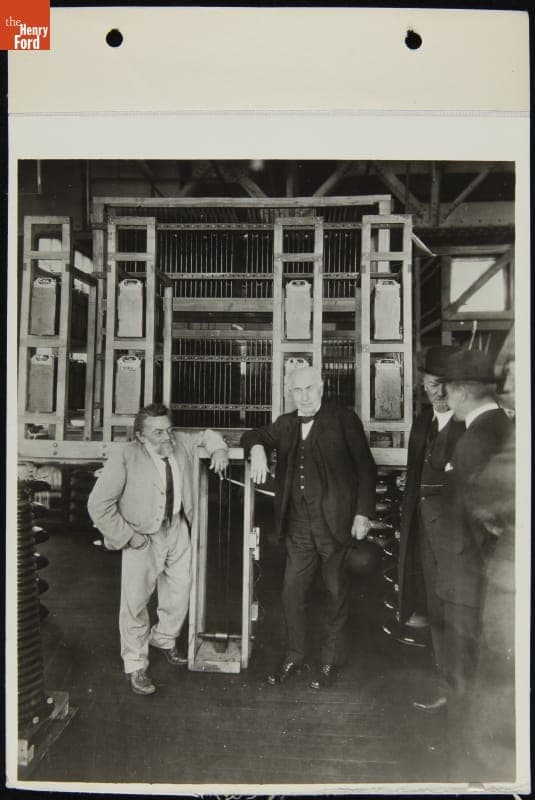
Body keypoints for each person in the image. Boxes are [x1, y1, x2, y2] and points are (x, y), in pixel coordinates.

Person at [240, 365, 376, 690]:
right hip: (298, 528)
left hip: (335, 526)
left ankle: (330, 661)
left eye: (309, 389)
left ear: (321, 387)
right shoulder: (286, 424)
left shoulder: (344, 419)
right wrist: (257, 450)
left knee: (335, 593)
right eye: (297, 391)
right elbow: (252, 435)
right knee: (291, 593)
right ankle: (295, 655)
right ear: (290, 392)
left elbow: (366, 467)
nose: (303, 396)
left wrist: (363, 513)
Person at [88, 403, 228, 696]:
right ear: (140, 436)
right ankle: (135, 664)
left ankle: (163, 640)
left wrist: (219, 450)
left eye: (168, 429)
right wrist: (129, 537)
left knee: (181, 591)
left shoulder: (180, 444)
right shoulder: (125, 456)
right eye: (157, 432)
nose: (166, 437)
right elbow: (98, 505)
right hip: (142, 535)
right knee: (136, 603)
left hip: (176, 528)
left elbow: (208, 435)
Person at [426, 349, 513, 717]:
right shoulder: (498, 425)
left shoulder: (478, 435)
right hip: (473, 560)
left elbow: (483, 510)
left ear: (459, 393)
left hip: (466, 561)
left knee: (463, 641)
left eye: (446, 390)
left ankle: (461, 725)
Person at [396, 345, 466, 711]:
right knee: (434, 607)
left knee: (452, 610)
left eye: (443, 385)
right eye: (430, 384)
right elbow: (413, 481)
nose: (437, 393)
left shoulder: (468, 423)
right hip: (423, 533)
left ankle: (455, 688)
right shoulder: (423, 422)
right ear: (421, 384)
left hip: (453, 539)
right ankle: (443, 681)